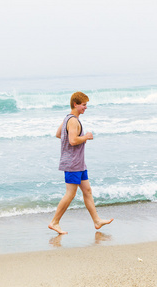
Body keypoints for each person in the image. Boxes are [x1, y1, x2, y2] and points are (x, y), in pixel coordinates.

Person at [48, 91, 114, 234]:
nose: (85, 108)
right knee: (70, 194)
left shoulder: (67, 118)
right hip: (72, 163)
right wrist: (86, 137)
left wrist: (75, 138)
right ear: (75, 104)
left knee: (87, 191)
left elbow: (59, 134)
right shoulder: (73, 120)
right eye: (83, 105)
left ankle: (97, 221)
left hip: (79, 163)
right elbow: (72, 140)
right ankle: (54, 222)